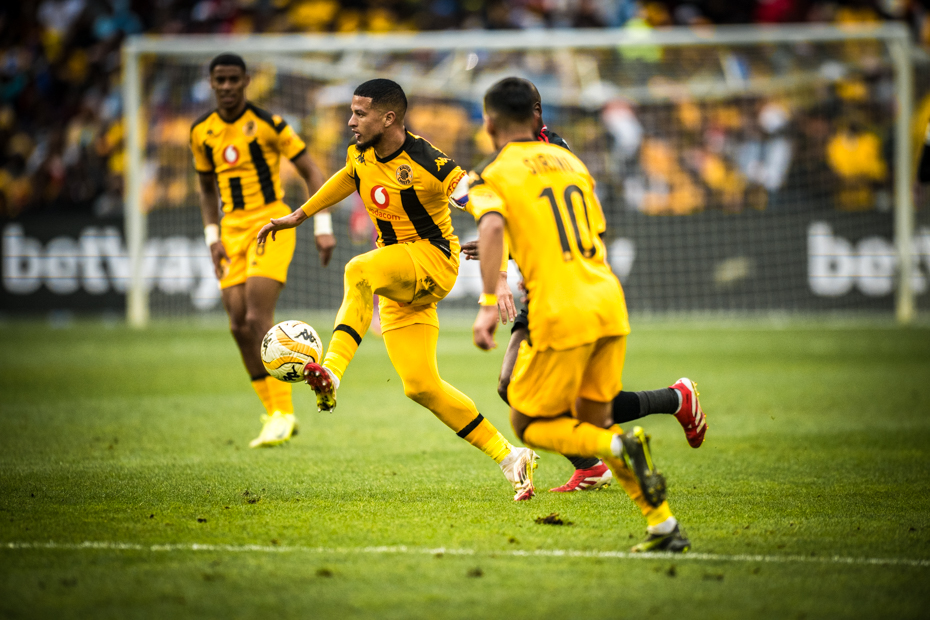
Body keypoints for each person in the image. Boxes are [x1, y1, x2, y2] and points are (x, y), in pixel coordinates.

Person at [256, 79, 538, 501]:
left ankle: (330, 372)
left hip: (433, 260)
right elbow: (347, 177)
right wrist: (299, 216)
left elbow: (488, 209)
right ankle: (510, 457)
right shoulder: (359, 153)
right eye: (351, 112)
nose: (350, 122)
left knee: (358, 269)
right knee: (420, 386)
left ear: (388, 118)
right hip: (399, 277)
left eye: (360, 114)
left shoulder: (432, 162)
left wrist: (498, 276)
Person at [470, 77, 691, 552]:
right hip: (607, 299)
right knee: (595, 419)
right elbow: (588, 230)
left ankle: (618, 448)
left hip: (559, 308)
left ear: (489, 123)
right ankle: (663, 526)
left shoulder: (491, 173)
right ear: (535, 116)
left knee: (527, 421)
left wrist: (489, 303)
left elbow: (491, 227)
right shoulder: (572, 162)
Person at [191, 53, 336, 448]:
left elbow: (312, 171)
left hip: (271, 224)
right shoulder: (201, 132)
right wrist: (212, 236)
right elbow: (205, 189)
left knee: (257, 316)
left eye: (233, 79)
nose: (226, 86)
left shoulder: (270, 124)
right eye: (219, 79)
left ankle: (285, 413)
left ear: (246, 81)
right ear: (211, 83)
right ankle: (274, 412)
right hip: (230, 232)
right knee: (238, 325)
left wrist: (322, 226)